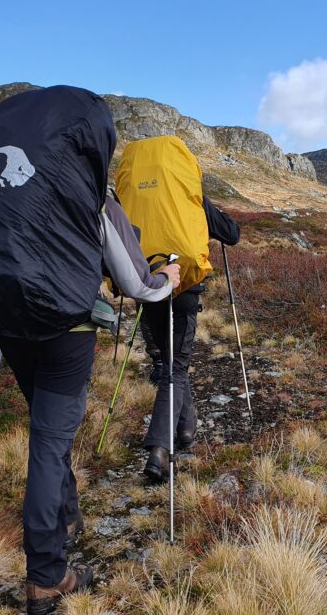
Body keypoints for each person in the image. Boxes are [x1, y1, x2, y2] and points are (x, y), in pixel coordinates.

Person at [0, 189, 180, 613]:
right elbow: (135, 282)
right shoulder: (89, 188)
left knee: (45, 429)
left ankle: (66, 515)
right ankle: (46, 576)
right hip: (67, 325)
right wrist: (166, 280)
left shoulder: (8, 178)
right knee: (49, 442)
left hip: (8, 319)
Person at [142, 194, 239, 482]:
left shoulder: (140, 193)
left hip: (149, 284)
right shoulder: (191, 194)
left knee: (171, 360)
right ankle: (160, 447)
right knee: (176, 367)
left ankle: (186, 427)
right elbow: (231, 234)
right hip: (185, 285)